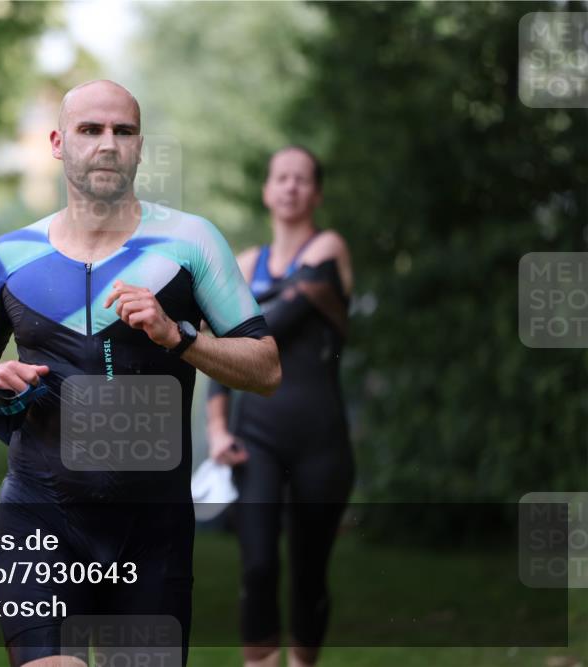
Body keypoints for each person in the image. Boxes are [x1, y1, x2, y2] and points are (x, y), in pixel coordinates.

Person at [0, 80, 281, 667]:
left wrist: (179, 336)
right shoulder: (10, 256)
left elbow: (266, 366)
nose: (107, 144)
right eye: (90, 130)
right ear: (57, 142)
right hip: (40, 516)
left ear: (140, 147)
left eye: (123, 131)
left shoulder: (190, 243)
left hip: (152, 530)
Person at [205, 146, 354, 667]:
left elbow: (271, 324)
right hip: (258, 439)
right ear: (267, 190)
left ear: (314, 193)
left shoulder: (328, 248)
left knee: (309, 571)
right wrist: (218, 430)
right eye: (281, 178)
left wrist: (205, 330)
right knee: (258, 566)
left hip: (321, 439)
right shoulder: (245, 262)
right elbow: (222, 360)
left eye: (302, 179)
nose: (290, 186)